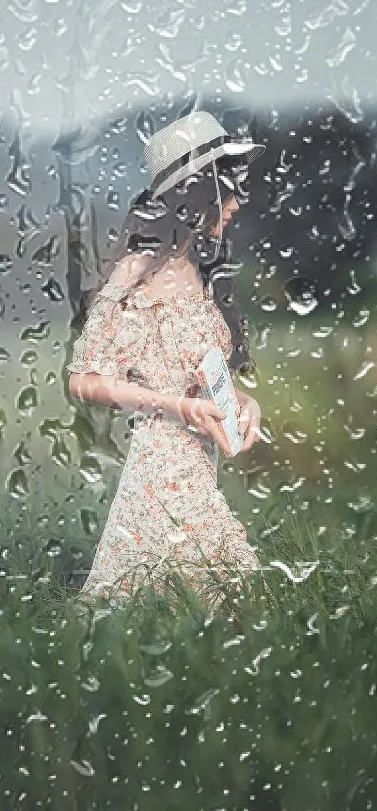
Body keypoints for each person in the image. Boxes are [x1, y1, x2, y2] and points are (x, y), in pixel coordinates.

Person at [67, 111, 266, 613]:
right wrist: (175, 405)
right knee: (192, 602)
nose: (238, 203)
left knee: (205, 611)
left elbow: (203, 374)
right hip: (159, 466)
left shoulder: (205, 272)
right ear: (196, 196)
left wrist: (242, 402)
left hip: (201, 462)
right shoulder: (135, 272)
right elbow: (83, 379)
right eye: (229, 189)